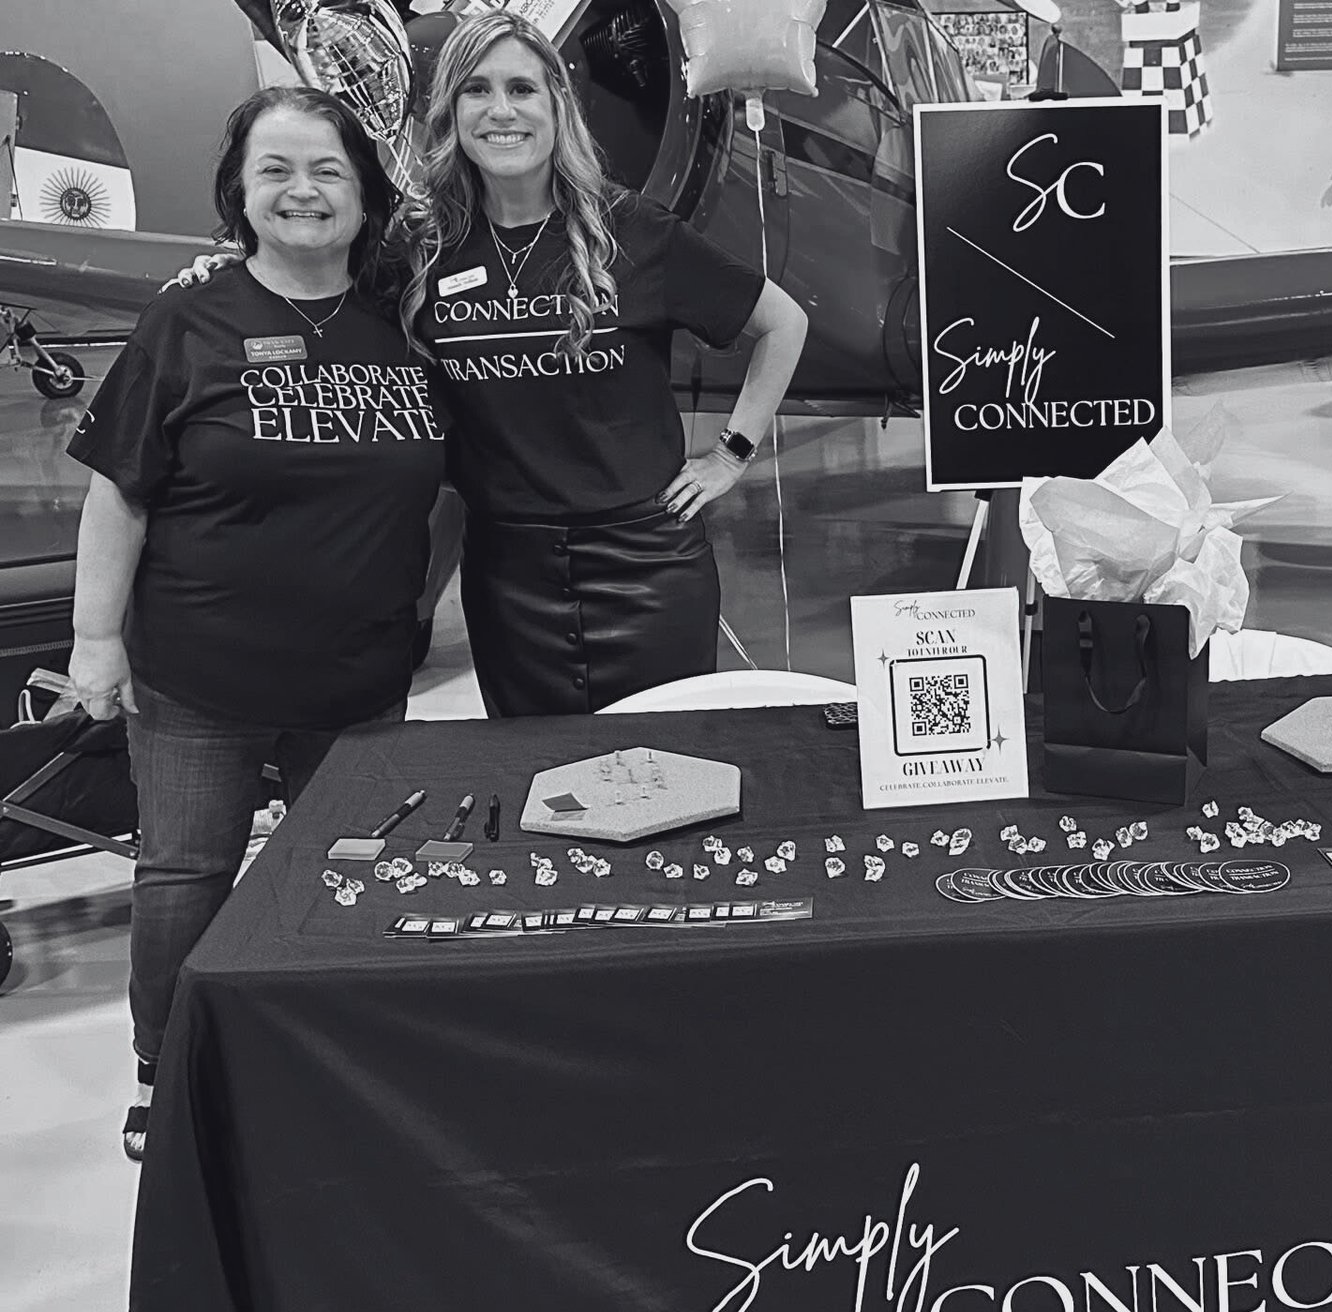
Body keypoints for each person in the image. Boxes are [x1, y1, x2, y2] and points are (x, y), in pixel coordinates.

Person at [66, 87, 447, 1160]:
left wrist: (416, 607)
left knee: (355, 875)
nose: (302, 190)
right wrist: (97, 643)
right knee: (186, 879)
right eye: (274, 169)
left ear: (365, 195)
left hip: (361, 683)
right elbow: (119, 492)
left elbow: (450, 492)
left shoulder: (404, 332)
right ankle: (167, 1071)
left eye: (326, 169)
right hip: (201, 683)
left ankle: (335, 1056)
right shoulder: (189, 320)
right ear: (239, 192)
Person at [401, 10, 808, 716]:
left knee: (667, 780)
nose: (502, 111)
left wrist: (731, 454)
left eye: (523, 89)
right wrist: (222, 275)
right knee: (539, 787)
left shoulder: (630, 230)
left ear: (558, 105)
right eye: (477, 89)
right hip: (509, 576)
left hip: (646, 565)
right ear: (451, 112)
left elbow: (783, 322)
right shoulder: (425, 248)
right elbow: (311, 287)